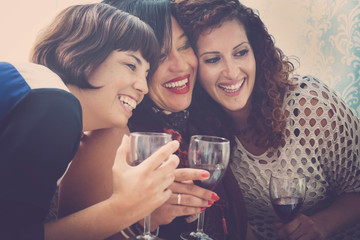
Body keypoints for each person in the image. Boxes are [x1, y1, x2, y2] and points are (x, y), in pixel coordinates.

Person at [58, 0, 249, 239]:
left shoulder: (199, 118)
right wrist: (141, 220)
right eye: (159, 56)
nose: (180, 65)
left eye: (184, 46)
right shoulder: (116, 136)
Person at [174, 0, 360, 239]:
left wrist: (322, 224)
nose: (232, 72)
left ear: (256, 52)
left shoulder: (311, 106)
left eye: (241, 52)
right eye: (213, 59)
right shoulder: (197, 127)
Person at [0, 3, 181, 239]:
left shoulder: (39, 90)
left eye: (146, 73)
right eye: (130, 65)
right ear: (84, 53)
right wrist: (125, 207)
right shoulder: (56, 106)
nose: (143, 87)